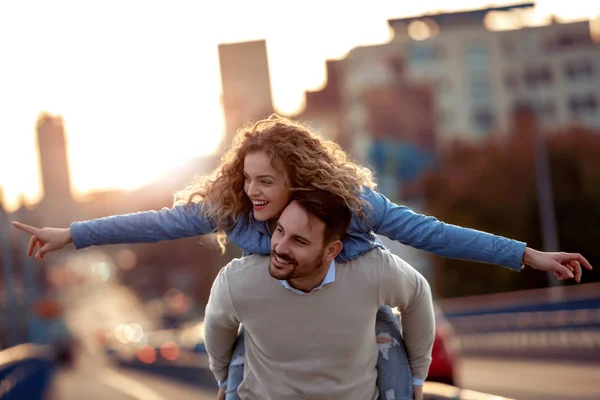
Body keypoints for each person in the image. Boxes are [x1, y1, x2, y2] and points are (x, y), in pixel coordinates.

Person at [12, 115, 592, 398]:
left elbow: (433, 232)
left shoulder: (355, 207)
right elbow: (156, 223)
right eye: (248, 179)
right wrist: (73, 234)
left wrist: (528, 255)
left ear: (299, 175)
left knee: (388, 349)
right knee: (236, 373)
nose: (255, 191)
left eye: (267, 180)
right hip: (277, 330)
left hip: (349, 318)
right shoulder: (236, 212)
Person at [205, 189, 434, 400]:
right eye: (280, 231)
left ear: (331, 250)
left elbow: (418, 293)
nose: (280, 247)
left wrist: (417, 376)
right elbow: (217, 325)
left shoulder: (372, 271)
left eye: (299, 240)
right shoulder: (239, 281)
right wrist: (223, 378)